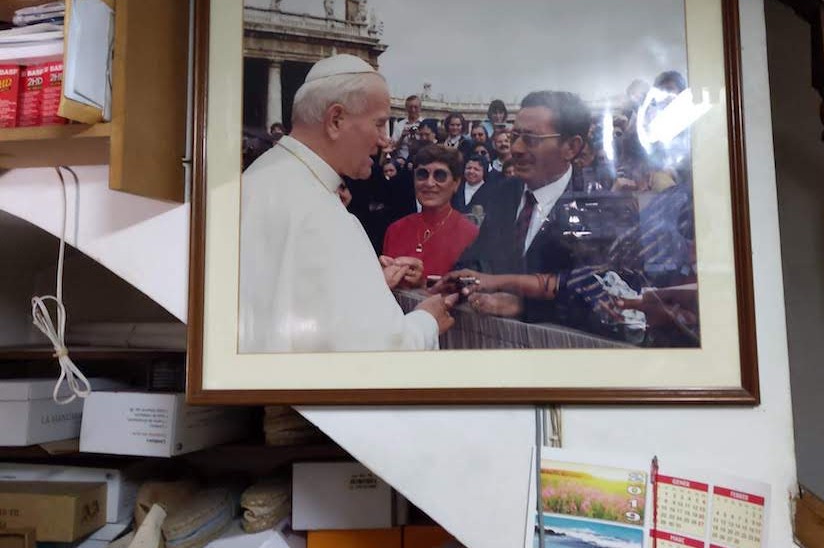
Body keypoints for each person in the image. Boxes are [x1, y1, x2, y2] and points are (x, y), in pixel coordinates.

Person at [239, 54, 457, 353]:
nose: (385, 141)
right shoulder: (322, 212)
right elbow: (377, 352)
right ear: (336, 120)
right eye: (379, 124)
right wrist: (427, 321)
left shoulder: (258, 178)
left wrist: (366, 284)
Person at [434, 90, 589, 322]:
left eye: (530, 139)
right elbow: (480, 257)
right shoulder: (503, 192)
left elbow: (601, 296)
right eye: (515, 135)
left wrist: (526, 306)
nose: (515, 148)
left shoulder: (596, 204)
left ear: (571, 147)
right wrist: (459, 281)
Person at [382, 145, 479, 282]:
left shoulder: (470, 234)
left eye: (440, 176)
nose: (429, 183)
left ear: (456, 184)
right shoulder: (395, 230)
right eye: (422, 175)